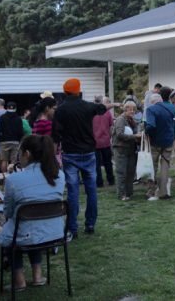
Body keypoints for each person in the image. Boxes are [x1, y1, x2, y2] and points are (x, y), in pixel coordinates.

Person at [0, 135, 65, 291]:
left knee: (17, 232)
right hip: (55, 232)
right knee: (30, 228)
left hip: (30, 233)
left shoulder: (14, 180)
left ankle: (19, 281)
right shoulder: (59, 175)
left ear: (27, 154)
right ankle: (37, 276)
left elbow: (8, 211)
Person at [52, 78, 110, 238]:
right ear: (78, 91)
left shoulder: (61, 110)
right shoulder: (87, 106)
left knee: (73, 192)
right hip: (89, 153)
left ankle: (72, 228)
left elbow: (55, 134)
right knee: (91, 190)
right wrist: (112, 105)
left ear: (65, 91)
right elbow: (101, 108)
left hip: (70, 154)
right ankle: (90, 224)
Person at [145, 88, 175, 200]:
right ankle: (163, 192)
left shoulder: (151, 110)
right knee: (165, 167)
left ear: (152, 102)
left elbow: (151, 125)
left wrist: (146, 132)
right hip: (167, 141)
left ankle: (151, 191)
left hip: (155, 143)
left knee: (152, 167)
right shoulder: (171, 108)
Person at [112, 101, 141, 201]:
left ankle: (129, 193)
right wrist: (135, 136)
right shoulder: (120, 120)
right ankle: (121, 194)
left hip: (131, 150)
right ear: (125, 109)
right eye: (130, 109)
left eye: (134, 109)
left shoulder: (131, 120)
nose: (133, 111)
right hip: (121, 149)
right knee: (121, 173)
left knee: (131, 172)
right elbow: (119, 134)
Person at [93, 96, 115, 188]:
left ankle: (99, 182)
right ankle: (111, 180)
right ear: (102, 102)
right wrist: (110, 137)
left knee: (96, 164)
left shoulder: (92, 113)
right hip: (105, 141)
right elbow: (111, 126)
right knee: (108, 162)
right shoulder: (107, 113)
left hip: (94, 142)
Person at [0, 101, 24, 173]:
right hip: (15, 141)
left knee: (4, 160)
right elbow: (20, 132)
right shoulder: (18, 118)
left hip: (4, 141)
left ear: (6, 108)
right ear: (16, 108)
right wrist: (19, 140)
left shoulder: (2, 117)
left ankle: (4, 177)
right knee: (13, 161)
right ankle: (12, 176)